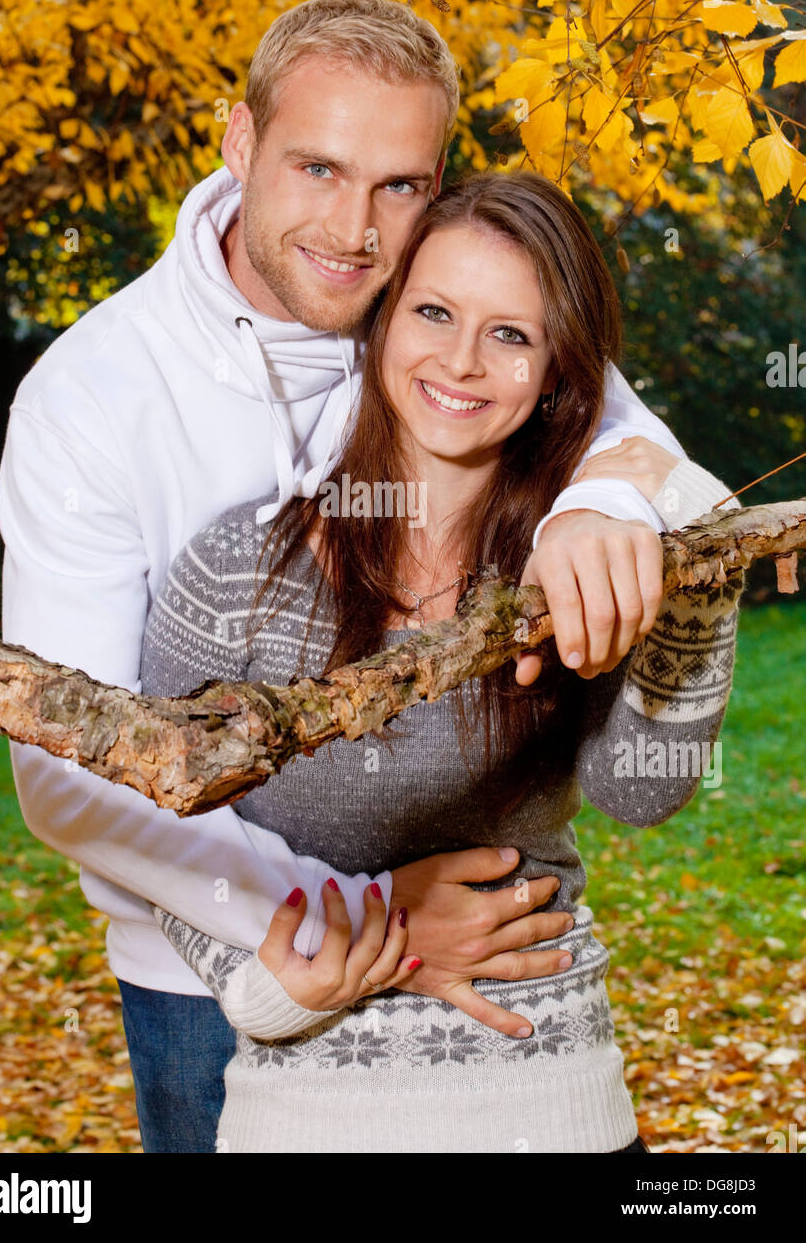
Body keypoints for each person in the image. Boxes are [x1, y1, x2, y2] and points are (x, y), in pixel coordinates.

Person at [0, 0, 690, 1153]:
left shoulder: (426, 308)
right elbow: (67, 765)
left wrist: (604, 500)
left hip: (487, 968)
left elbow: (633, 440)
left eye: (398, 184)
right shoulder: (93, 392)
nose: (352, 226)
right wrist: (363, 923)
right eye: (316, 167)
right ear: (238, 141)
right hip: (196, 963)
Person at [140, 168, 742, 1154]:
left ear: (554, 370)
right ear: (378, 322)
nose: (460, 361)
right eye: (432, 311)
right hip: (306, 1121)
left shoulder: (572, 558)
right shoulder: (232, 568)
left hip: (553, 1106)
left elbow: (639, 790)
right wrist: (273, 981)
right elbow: (156, 820)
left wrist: (696, 569)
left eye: (509, 333)